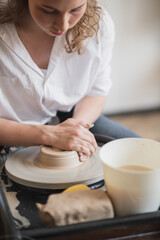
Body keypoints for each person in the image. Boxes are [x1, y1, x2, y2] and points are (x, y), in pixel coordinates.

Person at [0, 0, 139, 160]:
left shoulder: (99, 24)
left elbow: (96, 91)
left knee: (144, 157)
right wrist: (48, 135)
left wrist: (76, 130)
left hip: (71, 116)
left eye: (76, 10)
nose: (63, 25)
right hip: (8, 129)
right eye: (49, 11)